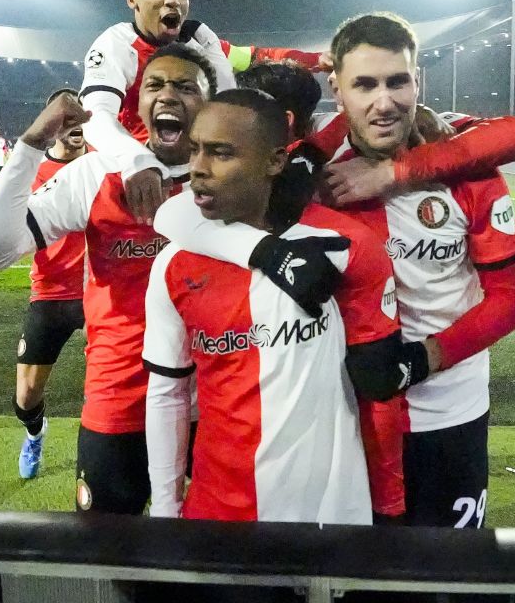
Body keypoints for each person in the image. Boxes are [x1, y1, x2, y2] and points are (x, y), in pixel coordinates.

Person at [153, 13, 515, 527]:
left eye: (399, 81)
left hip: (449, 412)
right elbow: (177, 214)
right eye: (364, 85)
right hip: (346, 425)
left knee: (447, 579)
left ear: (419, 81)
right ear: (337, 88)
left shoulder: (465, 168)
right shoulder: (308, 175)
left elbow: (511, 299)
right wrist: (266, 251)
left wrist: (423, 359)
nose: (384, 101)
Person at [144, 89, 437, 524]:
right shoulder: (172, 264)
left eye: (221, 153)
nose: (198, 169)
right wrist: (166, 511)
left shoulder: (344, 246)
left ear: (275, 161)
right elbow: (168, 394)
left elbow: (378, 390)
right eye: (195, 150)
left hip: (333, 512)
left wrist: (388, 504)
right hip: (218, 513)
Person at [0, 45, 216, 514]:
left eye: (186, 86)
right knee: (108, 557)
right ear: (135, 104)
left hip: (218, 401)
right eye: (154, 85)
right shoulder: (97, 174)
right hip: (119, 396)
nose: (168, 96)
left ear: (210, 101)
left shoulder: (230, 175)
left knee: (215, 554)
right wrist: (31, 142)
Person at [77, 0, 236, 226]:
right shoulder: (116, 44)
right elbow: (94, 115)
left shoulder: (199, 41)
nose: (172, 0)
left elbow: (228, 109)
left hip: (191, 187)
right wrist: (135, 158)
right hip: (129, 189)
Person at [14, 89, 89, 479]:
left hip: (101, 294)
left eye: (79, 113)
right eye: (66, 115)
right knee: (25, 396)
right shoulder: (32, 174)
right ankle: (35, 432)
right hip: (50, 293)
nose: (74, 123)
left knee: (114, 388)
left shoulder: (102, 165)